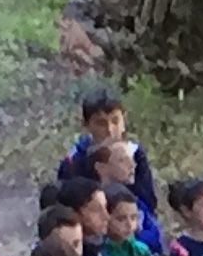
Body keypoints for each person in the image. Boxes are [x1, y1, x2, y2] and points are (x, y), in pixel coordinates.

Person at [66, 91, 158, 220]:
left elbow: (149, 203)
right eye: (100, 123)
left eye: (115, 121)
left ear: (124, 120)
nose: (109, 130)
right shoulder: (75, 160)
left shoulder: (135, 154)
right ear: (86, 125)